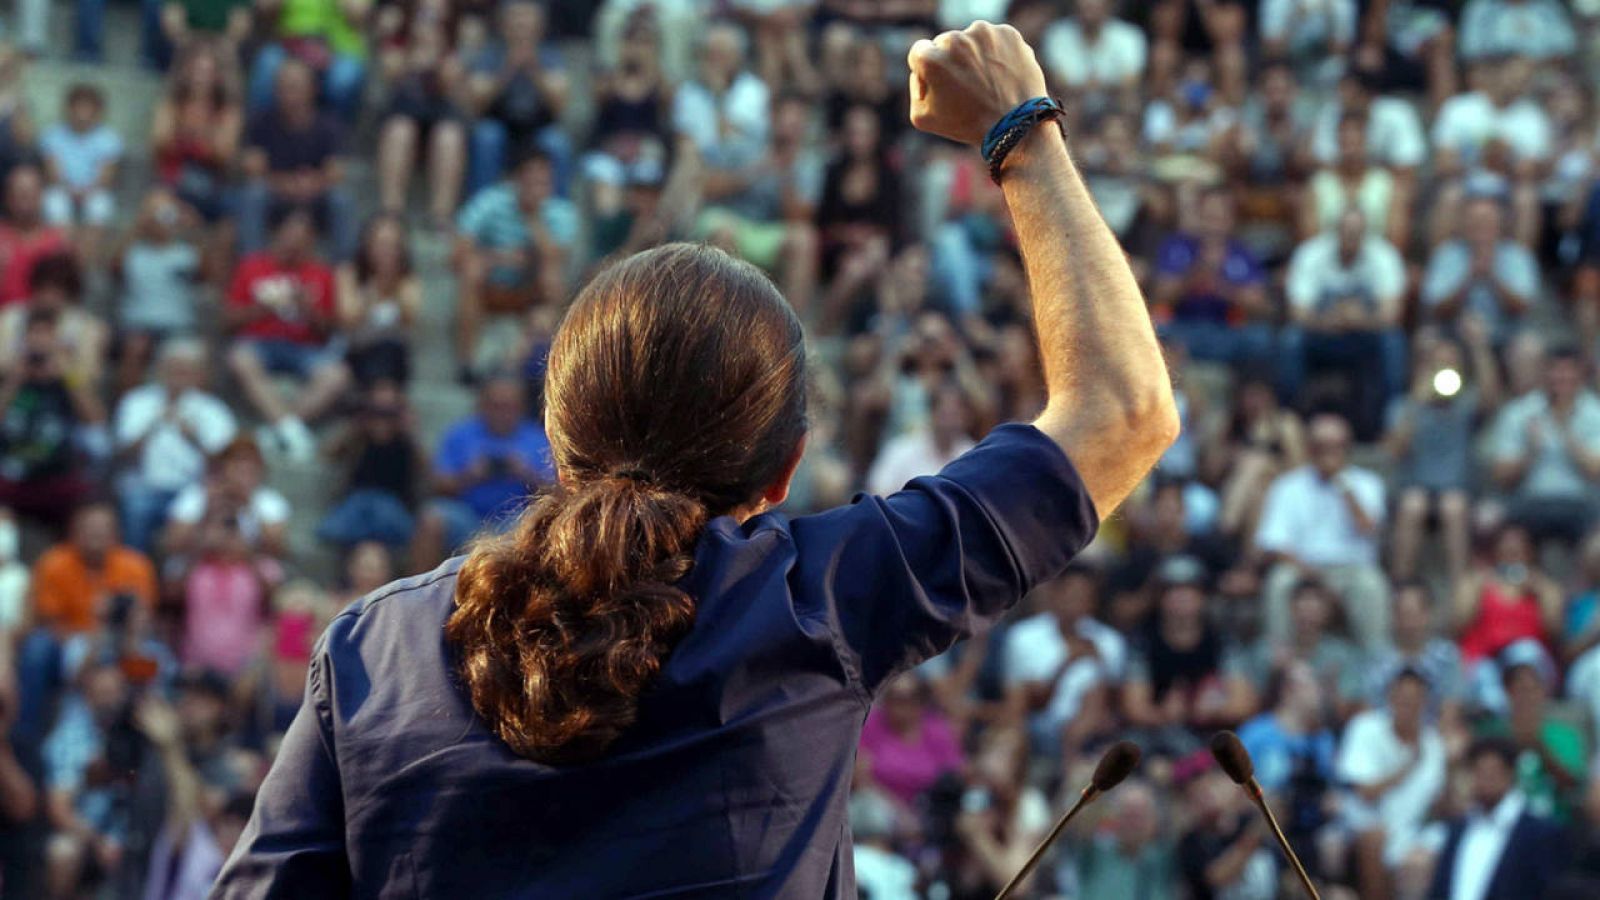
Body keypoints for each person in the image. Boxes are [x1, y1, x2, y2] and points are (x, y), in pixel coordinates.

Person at [214, 22, 1178, 896]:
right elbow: (1123, 411)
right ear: (784, 471)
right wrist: (1020, 127)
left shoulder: (369, 657)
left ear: (559, 437)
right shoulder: (815, 604)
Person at [1255, 413, 1390, 651]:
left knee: (1372, 586)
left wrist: (1343, 484)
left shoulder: (1368, 483)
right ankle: (1279, 659)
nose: (1328, 453)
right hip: (1303, 569)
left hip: (1352, 569)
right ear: (1309, 448)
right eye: (1321, 447)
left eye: (1336, 446)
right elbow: (1273, 543)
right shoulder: (1288, 486)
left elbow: (1368, 529)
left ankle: (1374, 664)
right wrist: (1312, 575)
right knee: (1279, 582)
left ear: (1347, 448)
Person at [223, 208, 349, 462]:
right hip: (259, 343)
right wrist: (265, 308)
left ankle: (278, 429)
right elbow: (228, 320)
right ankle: (290, 429)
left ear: (311, 241)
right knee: (240, 358)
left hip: (305, 348)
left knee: (337, 375)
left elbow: (330, 330)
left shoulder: (321, 274)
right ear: (276, 235)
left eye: (301, 237)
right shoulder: (252, 266)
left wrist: (308, 310)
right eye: (289, 234)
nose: (293, 242)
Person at [112, 338, 238, 554]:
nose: (177, 377)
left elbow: (226, 462)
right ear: (159, 369)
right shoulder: (137, 401)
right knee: (136, 507)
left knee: (206, 512)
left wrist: (194, 438)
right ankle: (134, 576)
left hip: (196, 489)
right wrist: (152, 427)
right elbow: (121, 453)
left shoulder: (214, 410)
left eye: (185, 371)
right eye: (172, 369)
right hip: (144, 485)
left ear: (199, 375)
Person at [1337, 668, 1448, 900]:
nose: (1407, 705)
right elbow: (1365, 792)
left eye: (1414, 700)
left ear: (1425, 703)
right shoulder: (1365, 728)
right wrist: (1407, 768)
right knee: (1374, 836)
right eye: (1402, 698)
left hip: (1413, 831)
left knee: (1428, 853)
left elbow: (1437, 804)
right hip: (1365, 821)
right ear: (1390, 698)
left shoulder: (1434, 743)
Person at [237, 59, 358, 262]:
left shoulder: (329, 124)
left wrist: (312, 184)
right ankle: (253, 265)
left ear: (312, 90)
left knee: (341, 200)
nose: (287, 94)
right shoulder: (260, 122)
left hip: (315, 198)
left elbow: (336, 171)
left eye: (294, 87)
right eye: (281, 87)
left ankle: (344, 269)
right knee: (253, 195)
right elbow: (252, 168)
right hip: (276, 197)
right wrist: (287, 184)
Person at [1427, 736, 1569, 900]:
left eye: (1493, 772)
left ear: (1510, 773)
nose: (1486, 780)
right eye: (1479, 772)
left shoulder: (1540, 834)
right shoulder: (1457, 829)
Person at [30, 502, 158, 638]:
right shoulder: (53, 563)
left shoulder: (136, 566)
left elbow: (145, 614)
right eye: (90, 528)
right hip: (66, 638)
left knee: (154, 653)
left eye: (103, 529)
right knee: (40, 642)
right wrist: (88, 641)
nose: (96, 535)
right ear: (74, 532)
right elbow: (49, 620)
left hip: (123, 637)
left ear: (116, 534)